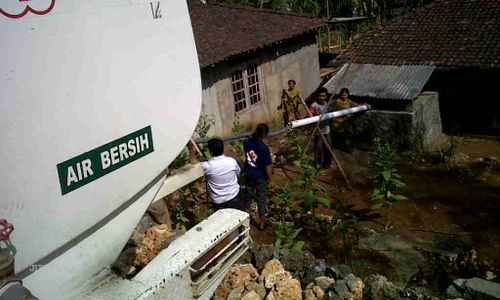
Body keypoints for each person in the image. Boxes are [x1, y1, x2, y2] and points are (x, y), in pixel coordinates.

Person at [243, 123, 273, 230]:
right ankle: (261, 223)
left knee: (248, 196)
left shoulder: (246, 143)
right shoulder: (264, 148)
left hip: (249, 174)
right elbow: (268, 166)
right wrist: (270, 178)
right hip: (260, 176)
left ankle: (245, 219)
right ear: (264, 134)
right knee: (261, 198)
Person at [202, 138, 244, 211]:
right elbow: (238, 173)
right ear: (223, 149)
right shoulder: (231, 161)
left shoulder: (207, 166)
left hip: (218, 201)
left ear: (210, 152)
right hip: (234, 196)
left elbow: (193, 161)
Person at [331, 87, 361, 153]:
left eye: (345, 95)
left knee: (345, 136)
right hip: (337, 122)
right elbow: (336, 111)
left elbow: (356, 105)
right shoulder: (337, 102)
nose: (344, 96)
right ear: (340, 95)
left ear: (348, 95)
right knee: (340, 136)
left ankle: (345, 147)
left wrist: (363, 105)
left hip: (345, 122)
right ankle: (341, 147)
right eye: (342, 95)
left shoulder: (348, 101)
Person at [309, 87, 332, 169]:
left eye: (323, 96)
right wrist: (312, 116)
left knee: (328, 147)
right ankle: (317, 163)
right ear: (317, 96)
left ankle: (327, 163)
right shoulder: (314, 105)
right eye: (320, 96)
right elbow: (310, 114)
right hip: (318, 131)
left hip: (326, 129)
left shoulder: (327, 104)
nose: (321, 98)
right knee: (318, 148)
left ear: (326, 96)